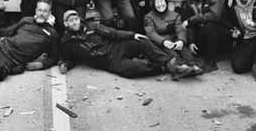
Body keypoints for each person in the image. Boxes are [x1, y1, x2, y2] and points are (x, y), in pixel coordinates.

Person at [58, 10, 198, 79]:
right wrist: (65, 65)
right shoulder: (67, 42)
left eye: (76, 19)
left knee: (142, 42)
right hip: (109, 62)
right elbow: (71, 59)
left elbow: (113, 33)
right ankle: (164, 68)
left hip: (116, 47)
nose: (75, 22)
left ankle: (172, 64)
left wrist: (132, 35)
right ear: (65, 24)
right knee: (135, 69)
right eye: (71, 21)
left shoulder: (92, 26)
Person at [178, 0, 229, 72]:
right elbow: (188, 23)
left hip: (220, 33)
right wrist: (191, 41)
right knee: (198, 32)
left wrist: (191, 20)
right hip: (204, 35)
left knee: (209, 25)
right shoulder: (190, 0)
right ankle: (204, 56)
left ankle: (211, 62)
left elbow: (215, 16)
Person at [143, 0, 204, 78]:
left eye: (162, 1)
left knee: (182, 48)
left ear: (166, 2)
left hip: (173, 39)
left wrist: (181, 40)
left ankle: (193, 65)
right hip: (160, 42)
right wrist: (164, 42)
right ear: (153, 4)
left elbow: (180, 29)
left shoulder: (174, 15)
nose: (160, 4)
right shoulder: (148, 17)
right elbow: (151, 33)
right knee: (169, 50)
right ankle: (182, 66)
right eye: (157, 2)